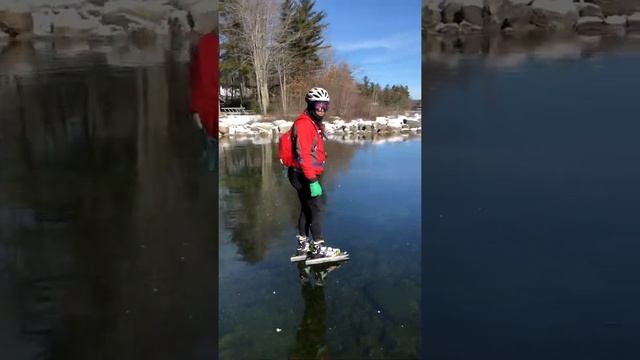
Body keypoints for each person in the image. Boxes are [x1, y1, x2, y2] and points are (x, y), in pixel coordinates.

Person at [288, 87, 344, 260]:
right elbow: (303, 154)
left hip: (300, 173)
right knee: (317, 210)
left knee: (306, 209)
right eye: (319, 105)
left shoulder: (311, 123)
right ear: (310, 104)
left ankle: (303, 245)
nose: (322, 109)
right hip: (305, 175)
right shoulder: (304, 124)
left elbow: (311, 150)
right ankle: (318, 247)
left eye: (325, 106)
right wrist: (312, 180)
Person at [189, 30, 219, 171]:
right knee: (210, 140)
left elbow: (196, 80)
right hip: (206, 106)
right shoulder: (206, 44)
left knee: (210, 140)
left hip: (206, 106)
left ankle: (210, 165)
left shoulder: (204, 43)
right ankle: (210, 165)